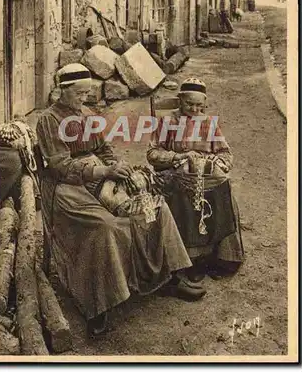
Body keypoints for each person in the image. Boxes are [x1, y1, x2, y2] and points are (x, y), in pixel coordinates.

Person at [36, 64, 205, 336]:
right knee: (105, 227)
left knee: (153, 208)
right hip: (67, 189)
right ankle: (99, 304)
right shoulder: (48, 119)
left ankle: (170, 275)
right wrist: (104, 171)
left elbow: (105, 149)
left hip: (100, 178)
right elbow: (60, 166)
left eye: (86, 93)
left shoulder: (88, 114)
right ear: (62, 90)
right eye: (78, 93)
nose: (83, 98)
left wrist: (119, 169)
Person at [147, 78, 244, 284]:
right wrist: (178, 157)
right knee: (189, 192)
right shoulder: (168, 122)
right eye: (189, 104)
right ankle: (194, 259)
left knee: (220, 187)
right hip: (176, 171)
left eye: (199, 105)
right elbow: (153, 153)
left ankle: (219, 256)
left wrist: (215, 162)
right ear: (180, 101)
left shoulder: (209, 123)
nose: (194, 109)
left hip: (204, 172)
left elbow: (226, 153)